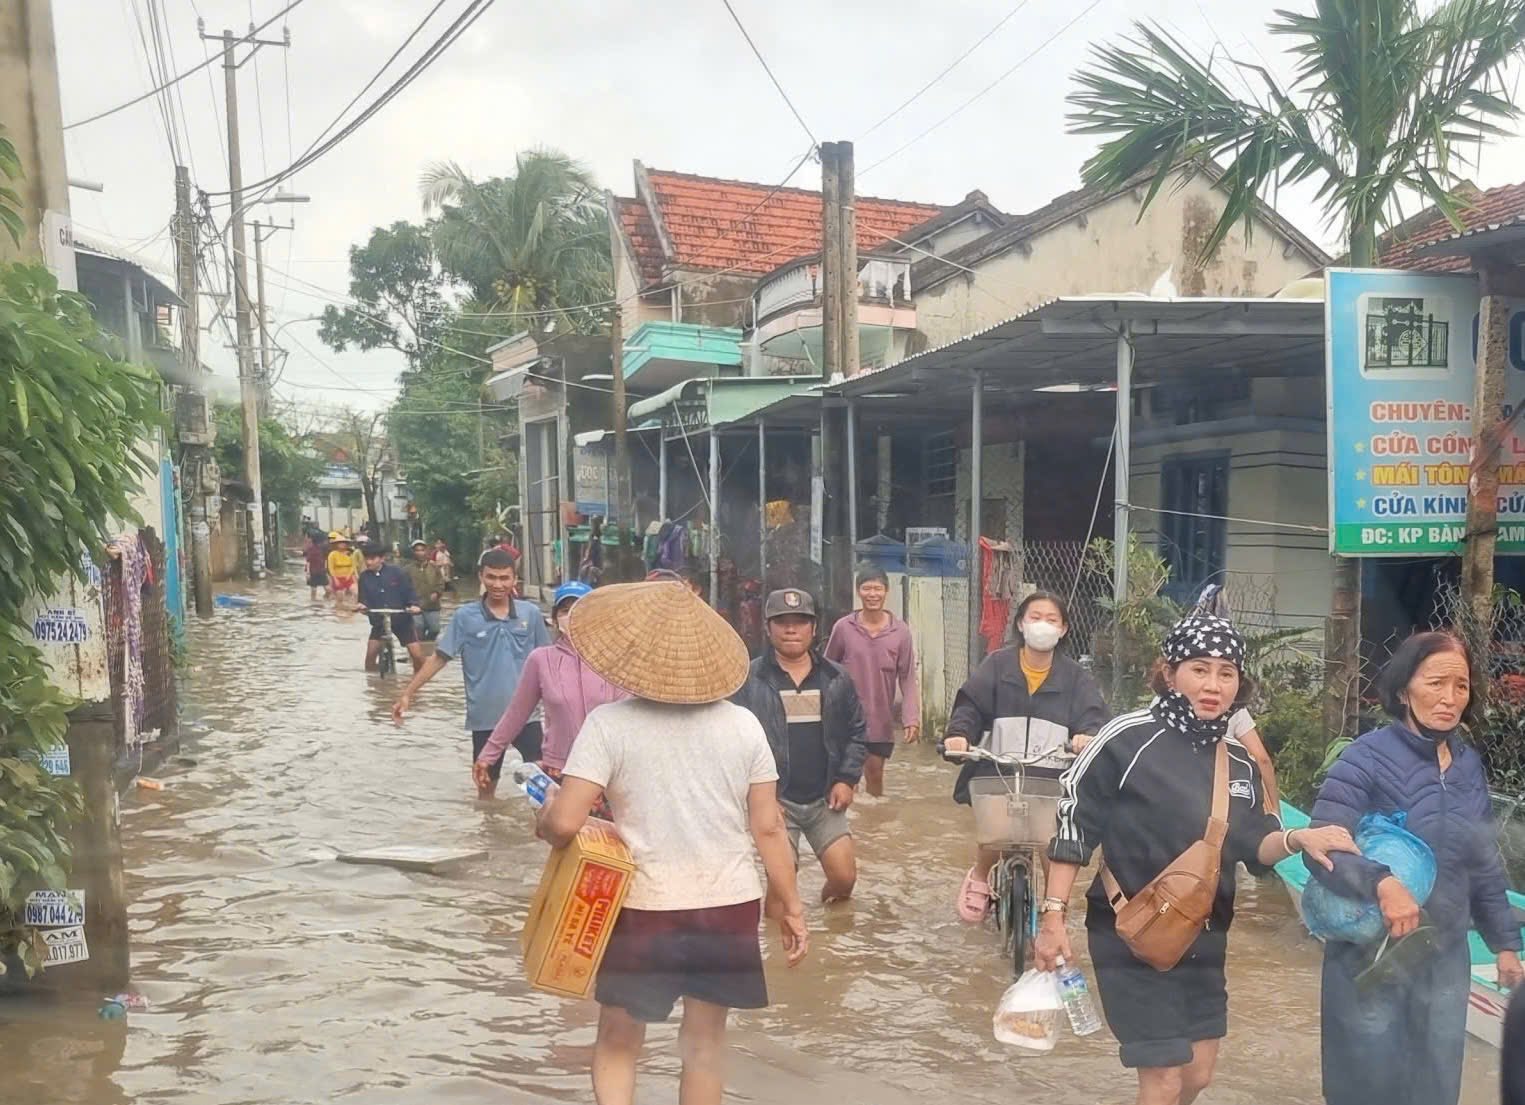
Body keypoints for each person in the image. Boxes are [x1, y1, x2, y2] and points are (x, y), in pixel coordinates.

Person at [1034, 612, 1357, 1105]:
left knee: (1197, 1076)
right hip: (1130, 931)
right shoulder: (1126, 738)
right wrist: (1052, 917)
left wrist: (1297, 838)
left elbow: (1258, 845)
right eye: (1199, 668)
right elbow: (1074, 825)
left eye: (1226, 672)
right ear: (1170, 672)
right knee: (1162, 1079)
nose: (1213, 684)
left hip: (1205, 936)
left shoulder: (1241, 762)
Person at [537, 581, 808, 1105]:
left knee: (619, 1041)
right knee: (704, 1046)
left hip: (645, 907)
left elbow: (567, 823)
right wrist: (792, 906)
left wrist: (545, 820)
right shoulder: (744, 725)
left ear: (635, 655)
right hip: (728, 905)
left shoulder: (609, 725)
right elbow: (769, 827)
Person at [1308, 631, 1524, 1105]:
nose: (1449, 699)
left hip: (1444, 955)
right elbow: (1321, 847)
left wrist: (1506, 944)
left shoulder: (1468, 767)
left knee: (1435, 1085)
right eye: (1436, 683)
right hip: (1373, 956)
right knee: (1366, 1086)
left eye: (1461, 686)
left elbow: (1483, 863)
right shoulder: (1365, 758)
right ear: (1404, 688)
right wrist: (1381, 882)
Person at [942, 591, 1109, 923]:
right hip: (999, 770)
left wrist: (1086, 735)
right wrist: (959, 735)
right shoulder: (997, 665)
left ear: (1063, 629)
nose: (1042, 626)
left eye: (1052, 619)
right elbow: (969, 706)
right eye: (1035, 617)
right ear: (1020, 623)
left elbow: (1093, 715)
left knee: (1053, 842)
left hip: (1053, 776)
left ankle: (1053, 907)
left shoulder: (1076, 677)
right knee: (995, 828)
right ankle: (979, 876)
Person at [731, 588, 868, 903]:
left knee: (844, 878)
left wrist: (846, 779)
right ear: (768, 628)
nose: (791, 629)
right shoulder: (748, 680)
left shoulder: (836, 678)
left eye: (800, 621)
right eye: (782, 622)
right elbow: (732, 742)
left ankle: (831, 937)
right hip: (775, 801)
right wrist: (758, 797)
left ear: (815, 628)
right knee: (781, 889)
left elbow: (857, 731)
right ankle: (778, 947)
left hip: (824, 799)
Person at [391, 549, 551, 796]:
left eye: (504, 578)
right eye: (492, 577)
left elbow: (549, 662)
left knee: (544, 788)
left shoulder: (530, 615)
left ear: (514, 579)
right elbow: (439, 658)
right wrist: (408, 693)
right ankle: (489, 832)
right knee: (486, 792)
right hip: (485, 719)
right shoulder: (465, 617)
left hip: (526, 717)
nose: (498, 584)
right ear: (481, 577)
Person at [473, 581, 628, 797]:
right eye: (565, 610)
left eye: (580, 609)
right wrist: (488, 755)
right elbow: (517, 713)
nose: (572, 616)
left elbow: (629, 717)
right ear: (555, 619)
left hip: (608, 770)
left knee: (605, 831)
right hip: (559, 769)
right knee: (560, 829)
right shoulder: (541, 660)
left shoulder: (614, 660)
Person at [823, 564, 920, 798]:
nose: (872, 594)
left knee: (875, 776)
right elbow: (826, 669)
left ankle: (874, 824)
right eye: (867, 588)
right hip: (845, 717)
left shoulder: (900, 632)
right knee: (846, 779)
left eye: (877, 589)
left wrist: (911, 717)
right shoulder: (844, 628)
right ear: (859, 592)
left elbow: (907, 677)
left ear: (886, 592)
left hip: (879, 719)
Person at [356, 543, 425, 673]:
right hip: (379, 621)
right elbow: (362, 599)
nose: (368, 562)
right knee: (370, 657)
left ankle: (418, 679)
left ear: (382, 559)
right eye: (367, 559)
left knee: (417, 656)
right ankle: (376, 686)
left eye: (372, 558)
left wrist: (414, 605)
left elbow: (409, 592)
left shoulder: (397, 572)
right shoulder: (364, 577)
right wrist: (362, 606)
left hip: (402, 620)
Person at [403, 539, 445, 641]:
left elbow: (441, 583)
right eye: (417, 550)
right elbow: (403, 587)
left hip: (432, 605)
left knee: (435, 629)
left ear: (426, 551)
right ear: (413, 552)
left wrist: (437, 592)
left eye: (422, 550)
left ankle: (427, 645)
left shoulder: (434, 567)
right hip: (415, 605)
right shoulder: (407, 569)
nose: (420, 553)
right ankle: (419, 650)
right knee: (418, 628)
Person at [326, 533, 357, 601]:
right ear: (336, 544)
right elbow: (331, 568)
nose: (343, 544)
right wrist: (335, 578)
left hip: (348, 577)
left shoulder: (350, 554)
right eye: (340, 543)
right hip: (337, 578)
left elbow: (353, 566)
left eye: (344, 543)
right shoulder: (332, 554)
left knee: (356, 592)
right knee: (340, 597)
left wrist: (349, 575)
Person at [303, 532, 329, 600]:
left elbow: (325, 559)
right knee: (313, 590)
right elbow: (308, 561)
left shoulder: (323, 549)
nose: (325, 542)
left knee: (328, 589)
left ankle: (324, 600)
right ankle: (314, 604)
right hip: (313, 572)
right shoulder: (311, 549)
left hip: (321, 571)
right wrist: (308, 573)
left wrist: (326, 569)